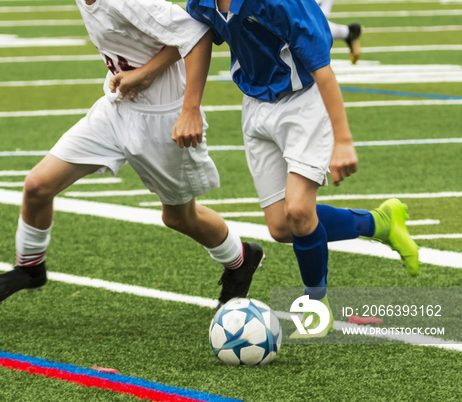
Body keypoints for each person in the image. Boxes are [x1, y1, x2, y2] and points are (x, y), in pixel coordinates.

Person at [0, 0, 265, 309]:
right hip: (116, 107)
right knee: (37, 186)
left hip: (162, 118)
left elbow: (197, 33)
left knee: (179, 217)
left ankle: (241, 259)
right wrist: (142, 74)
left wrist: (188, 109)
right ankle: (29, 267)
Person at [178, 0, 420, 336]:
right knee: (281, 226)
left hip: (304, 102)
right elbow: (198, 36)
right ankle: (378, 223)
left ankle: (315, 303)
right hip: (255, 107)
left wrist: (343, 139)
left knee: (299, 210)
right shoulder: (202, 2)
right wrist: (190, 105)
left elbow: (322, 69)